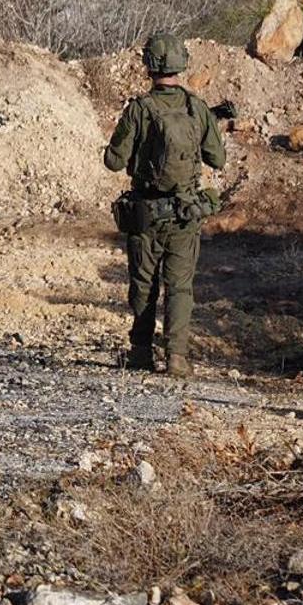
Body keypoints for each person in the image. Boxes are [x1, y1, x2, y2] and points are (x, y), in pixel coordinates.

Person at [101, 33, 226, 377]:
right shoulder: (196, 108)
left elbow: (114, 162)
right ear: (181, 64)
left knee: (144, 284)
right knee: (180, 287)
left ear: (149, 65)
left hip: (145, 214)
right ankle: (177, 357)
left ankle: (141, 352)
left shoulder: (140, 109)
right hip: (185, 215)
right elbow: (218, 158)